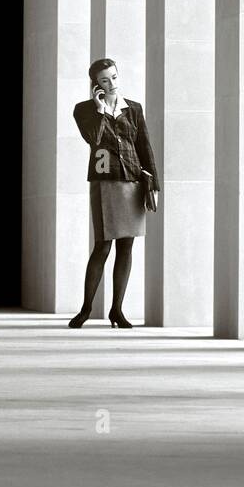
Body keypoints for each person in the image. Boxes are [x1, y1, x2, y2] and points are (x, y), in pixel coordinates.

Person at [68, 58, 160, 328]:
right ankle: (86, 309)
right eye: (105, 80)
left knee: (127, 246)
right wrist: (101, 109)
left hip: (133, 180)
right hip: (105, 181)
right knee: (103, 245)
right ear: (96, 84)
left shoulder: (133, 108)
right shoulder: (84, 110)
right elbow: (93, 139)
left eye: (114, 77)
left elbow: (144, 145)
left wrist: (154, 183)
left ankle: (117, 311)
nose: (111, 84)